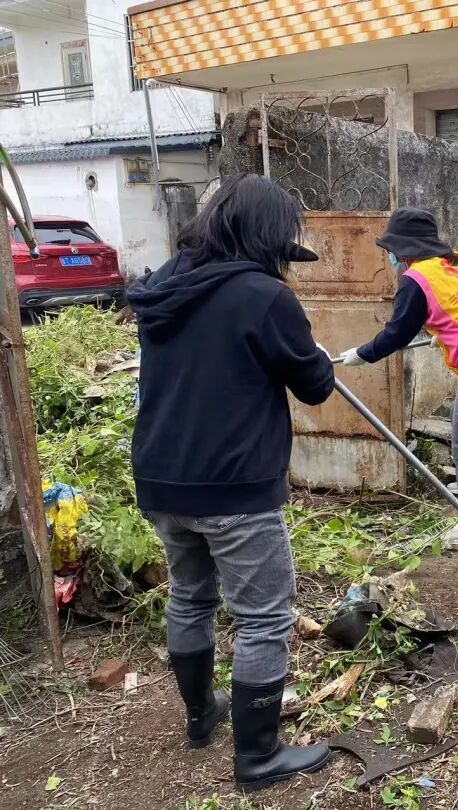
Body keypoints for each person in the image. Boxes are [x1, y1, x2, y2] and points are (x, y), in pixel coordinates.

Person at [128, 174, 336, 792]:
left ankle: (201, 716)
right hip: (233, 484)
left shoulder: (167, 284)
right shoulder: (264, 296)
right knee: (264, 618)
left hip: (163, 478)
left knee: (191, 597)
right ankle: (258, 756)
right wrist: (312, 353)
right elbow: (315, 385)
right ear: (269, 237)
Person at [339, 207, 458, 545]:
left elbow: (397, 334)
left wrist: (362, 354)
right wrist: (446, 332)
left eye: (391, 249)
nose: (391, 256)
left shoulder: (415, 280)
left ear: (403, 248)